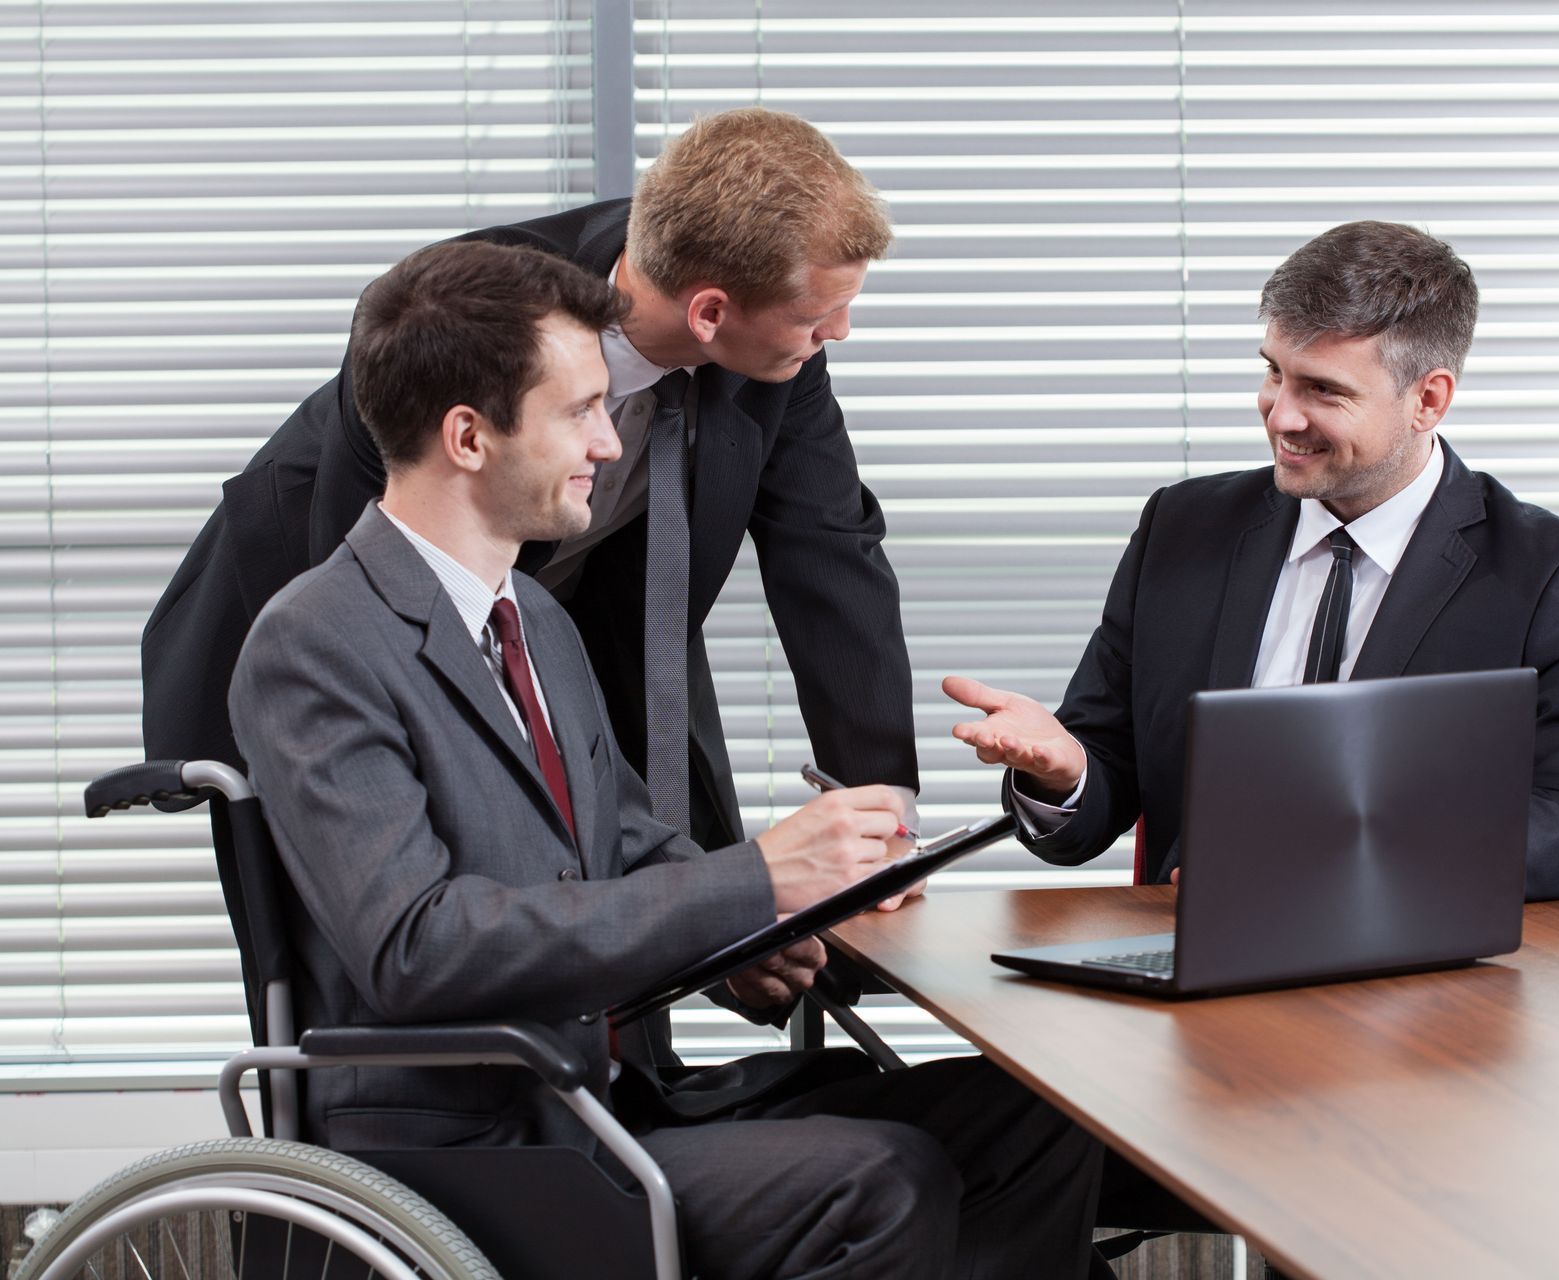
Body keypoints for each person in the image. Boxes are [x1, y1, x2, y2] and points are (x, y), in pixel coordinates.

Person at [227, 238, 1101, 1278]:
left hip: (599, 1102)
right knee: (880, 1176)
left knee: (1033, 1119)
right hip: (469, 1146)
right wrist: (754, 874)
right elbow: (418, 945)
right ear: (468, 435)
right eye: (579, 410)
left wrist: (756, 926)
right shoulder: (317, 641)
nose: (610, 439)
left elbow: (628, 842)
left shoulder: (537, 621)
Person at [145, 106, 916, 852]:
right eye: (822, 317)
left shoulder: (772, 325)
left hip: (577, 623)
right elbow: (378, 612)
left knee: (678, 885)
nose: (837, 333)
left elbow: (829, 548)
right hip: (337, 594)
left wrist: (884, 808)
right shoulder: (459, 318)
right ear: (709, 312)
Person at [945, 220, 1559, 902]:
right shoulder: (1182, 528)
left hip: (1418, 985)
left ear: (1428, 400)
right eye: (1274, 372)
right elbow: (1099, 794)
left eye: (1323, 390)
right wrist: (1065, 775)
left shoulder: (1552, 571)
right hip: (1188, 970)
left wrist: (1343, 855)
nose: (1280, 416)